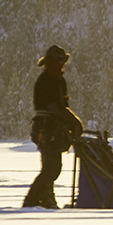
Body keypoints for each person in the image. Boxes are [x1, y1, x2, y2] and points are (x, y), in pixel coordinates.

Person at [23, 44, 82, 208]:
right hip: (46, 129)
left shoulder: (59, 80)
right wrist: (73, 121)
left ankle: (48, 200)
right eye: (59, 60)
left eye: (63, 60)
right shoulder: (45, 80)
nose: (62, 64)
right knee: (51, 169)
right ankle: (31, 201)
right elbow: (52, 106)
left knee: (53, 167)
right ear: (50, 62)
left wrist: (71, 122)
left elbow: (62, 106)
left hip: (55, 130)